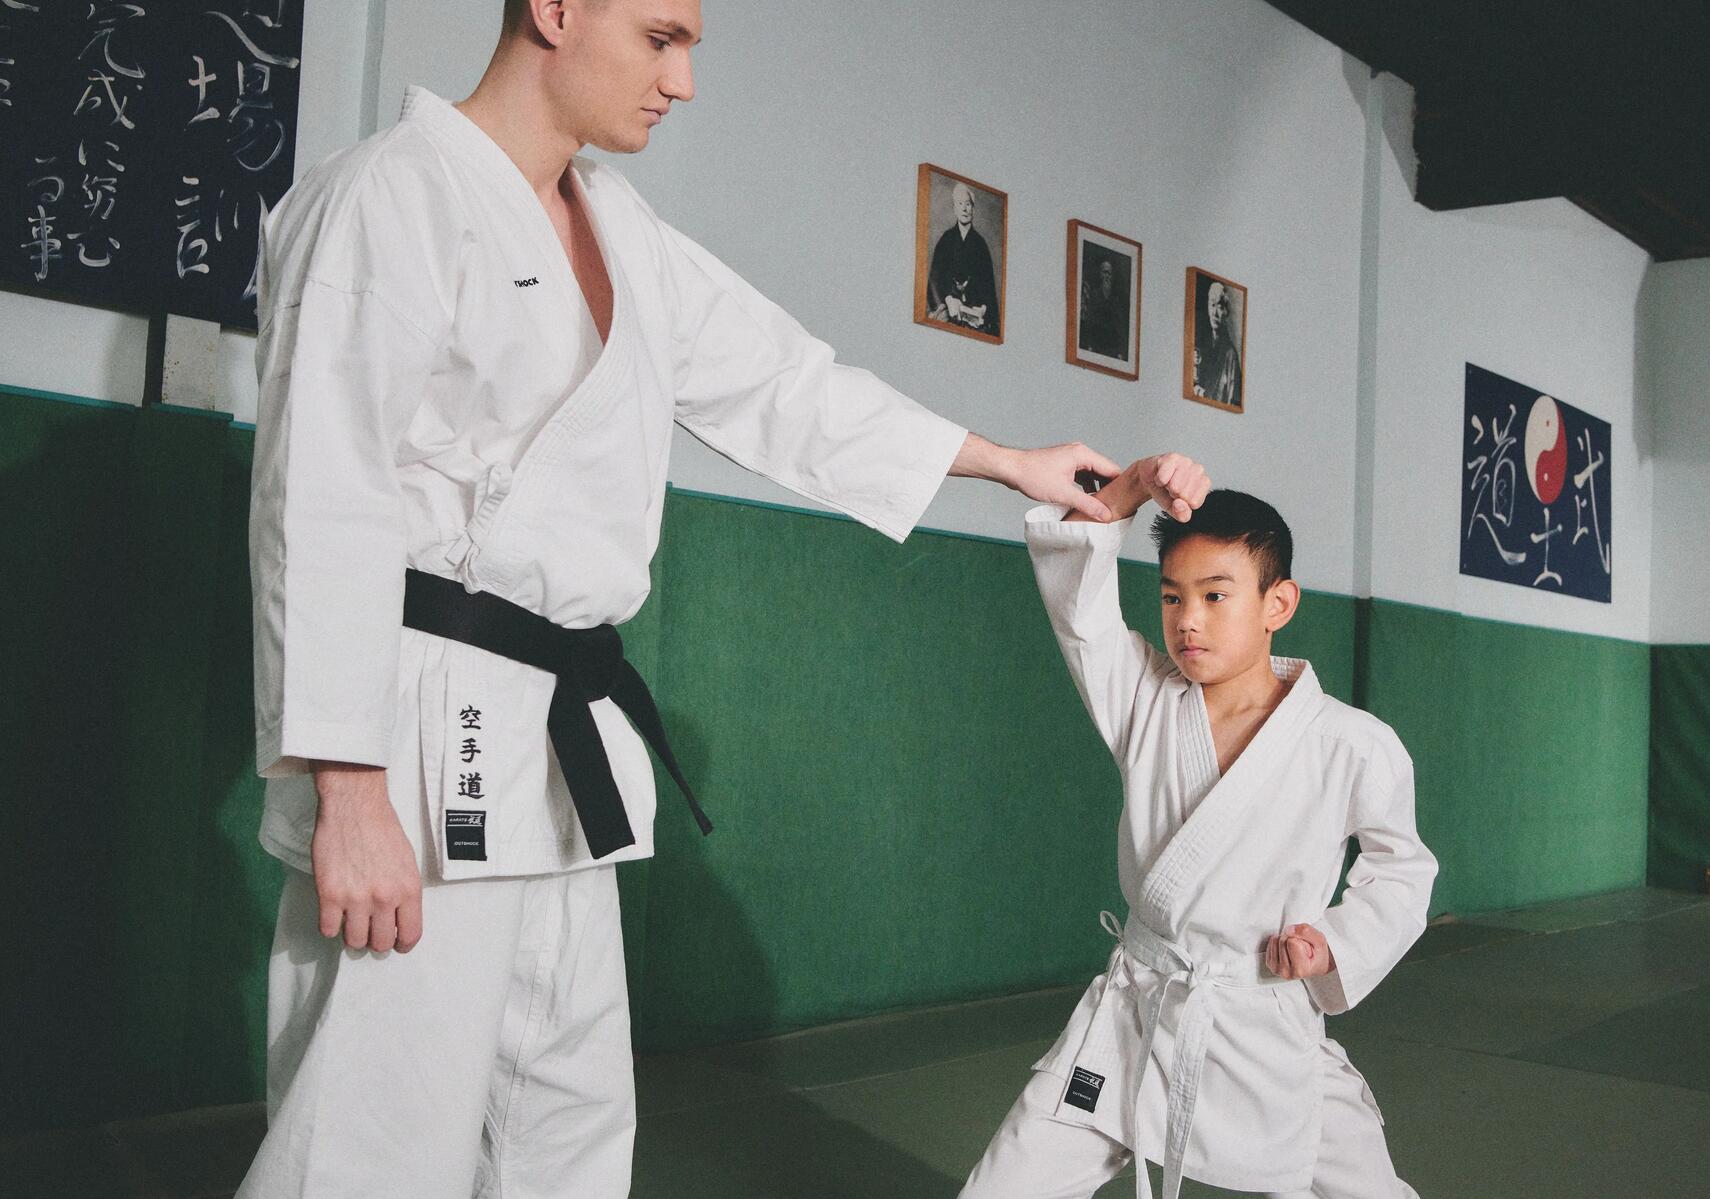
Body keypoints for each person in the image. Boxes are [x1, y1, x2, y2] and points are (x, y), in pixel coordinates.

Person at [235, 1, 1120, 1195]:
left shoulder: (621, 231)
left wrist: (1007, 460)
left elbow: (788, 384)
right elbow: (320, 487)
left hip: (558, 752)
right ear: (554, 9)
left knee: (567, 1121)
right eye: (661, 37)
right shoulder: (387, 199)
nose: (685, 79)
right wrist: (344, 786)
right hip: (412, 737)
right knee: (375, 1135)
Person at [961, 458, 1437, 1199]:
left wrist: (1331, 943)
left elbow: (1404, 870)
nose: (1188, 619)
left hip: (1263, 1014)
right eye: (1172, 596)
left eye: (1217, 596)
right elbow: (1078, 604)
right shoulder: (1142, 698)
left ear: (1279, 602)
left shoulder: (1351, 741)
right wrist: (1132, 487)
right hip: (1137, 1010)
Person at [927, 180, 1000, 332]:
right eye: (960, 204)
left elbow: (988, 285)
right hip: (950, 308)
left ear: (973, 208)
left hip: (974, 313)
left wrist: (983, 309)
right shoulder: (946, 239)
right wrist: (948, 299)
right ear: (955, 208)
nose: (964, 209)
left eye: (968, 204)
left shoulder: (980, 244)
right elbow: (935, 279)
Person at [1193, 279, 1241, 406]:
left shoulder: (1231, 355)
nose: (1214, 313)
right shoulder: (1200, 344)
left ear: (1225, 311)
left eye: (1219, 307)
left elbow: (1233, 401)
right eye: (1212, 305)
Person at [1079, 256, 1129, 360]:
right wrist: (1089, 345)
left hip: (1112, 347)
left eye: (1109, 273)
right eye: (1104, 272)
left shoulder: (1116, 299)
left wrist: (1120, 351)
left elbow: (1119, 325)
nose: (1106, 276)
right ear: (1100, 274)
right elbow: (1090, 320)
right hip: (1096, 344)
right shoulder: (1093, 294)